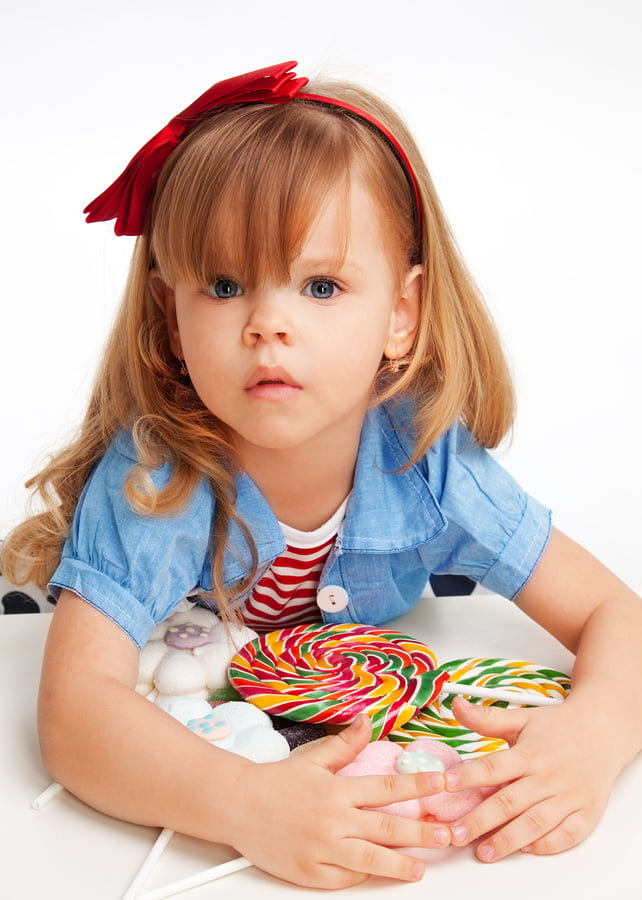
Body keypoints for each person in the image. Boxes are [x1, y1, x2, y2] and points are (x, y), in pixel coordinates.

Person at [2, 60, 641, 890]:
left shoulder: (429, 462)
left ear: (400, 316)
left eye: (322, 284)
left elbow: (613, 612)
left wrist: (596, 732)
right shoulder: (160, 472)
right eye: (226, 285)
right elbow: (77, 716)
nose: (270, 323)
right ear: (170, 315)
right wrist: (243, 804)